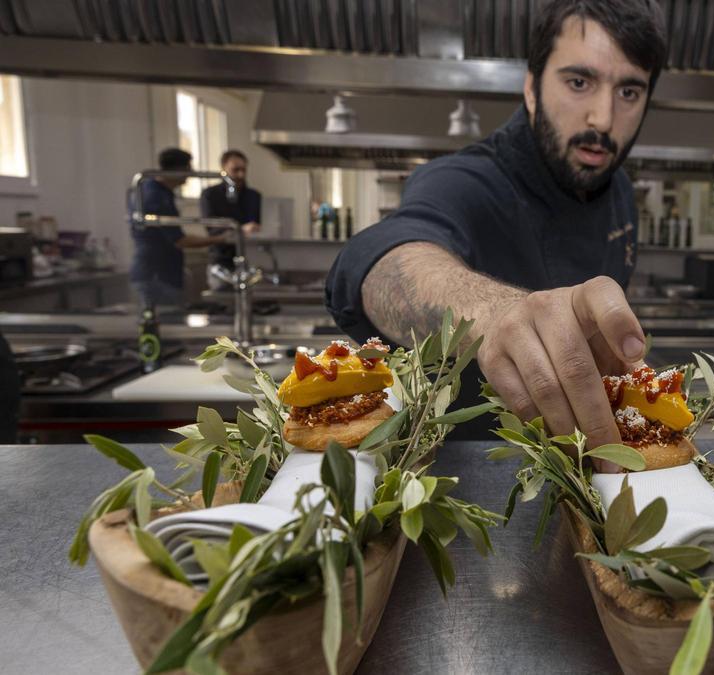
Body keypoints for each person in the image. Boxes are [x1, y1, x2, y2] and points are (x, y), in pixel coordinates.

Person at [326, 0, 666, 451]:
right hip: (464, 478)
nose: (602, 119)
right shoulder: (467, 180)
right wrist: (495, 312)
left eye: (629, 92)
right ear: (531, 88)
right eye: (579, 82)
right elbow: (387, 258)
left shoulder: (618, 187)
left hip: (585, 473)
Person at [128, 148, 227, 309]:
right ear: (178, 170)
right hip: (156, 277)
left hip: (159, 273)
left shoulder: (156, 191)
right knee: (163, 326)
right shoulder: (155, 197)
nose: (191, 174)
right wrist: (221, 239)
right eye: (188, 169)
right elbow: (180, 240)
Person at [200, 149, 262, 290]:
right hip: (221, 262)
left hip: (249, 261)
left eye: (243, 170)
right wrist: (239, 229)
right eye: (235, 170)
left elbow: (258, 225)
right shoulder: (210, 195)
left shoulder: (254, 196)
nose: (240, 174)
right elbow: (211, 228)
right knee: (223, 300)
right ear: (223, 169)